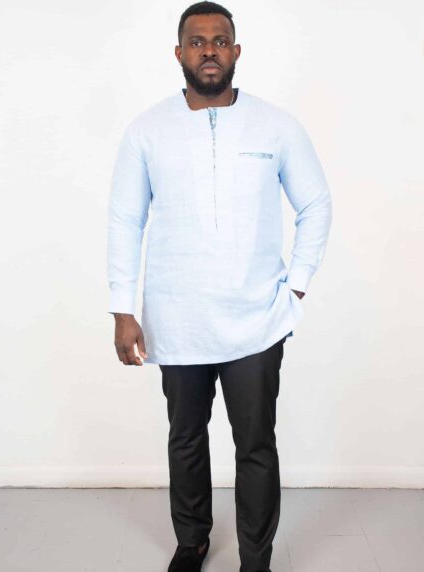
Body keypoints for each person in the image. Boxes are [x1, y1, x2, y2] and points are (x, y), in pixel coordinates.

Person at [106, 2, 332, 570]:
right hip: (176, 318)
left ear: (236, 51)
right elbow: (125, 221)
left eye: (220, 40)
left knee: (255, 444)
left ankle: (256, 556)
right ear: (179, 53)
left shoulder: (276, 126)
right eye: (197, 41)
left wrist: (296, 286)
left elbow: (316, 203)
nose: (209, 50)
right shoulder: (146, 131)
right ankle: (192, 542)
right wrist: (122, 308)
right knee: (186, 439)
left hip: (257, 319)